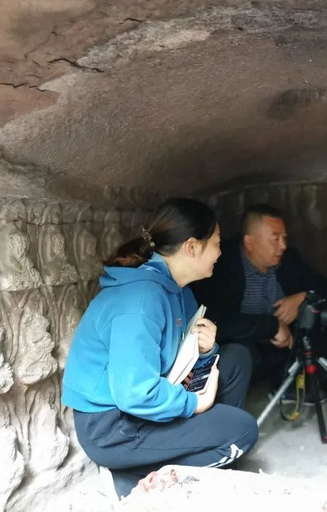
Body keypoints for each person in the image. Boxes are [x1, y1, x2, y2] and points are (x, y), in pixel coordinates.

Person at [62, 198, 258, 500]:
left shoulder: (176, 289)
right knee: (242, 431)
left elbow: (183, 354)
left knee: (237, 358)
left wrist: (206, 349)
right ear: (192, 247)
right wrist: (194, 404)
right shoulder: (140, 301)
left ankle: (202, 445)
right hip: (114, 427)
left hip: (150, 398)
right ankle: (132, 477)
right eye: (217, 243)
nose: (221, 252)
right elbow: (134, 393)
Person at [191, 204, 327, 402]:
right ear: (250, 243)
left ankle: (291, 381)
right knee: (238, 352)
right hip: (250, 349)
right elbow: (219, 323)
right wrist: (272, 326)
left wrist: (303, 297)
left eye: (284, 238)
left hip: (287, 346)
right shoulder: (223, 266)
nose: (283, 245)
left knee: (323, 315)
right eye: (275, 239)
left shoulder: (288, 260)